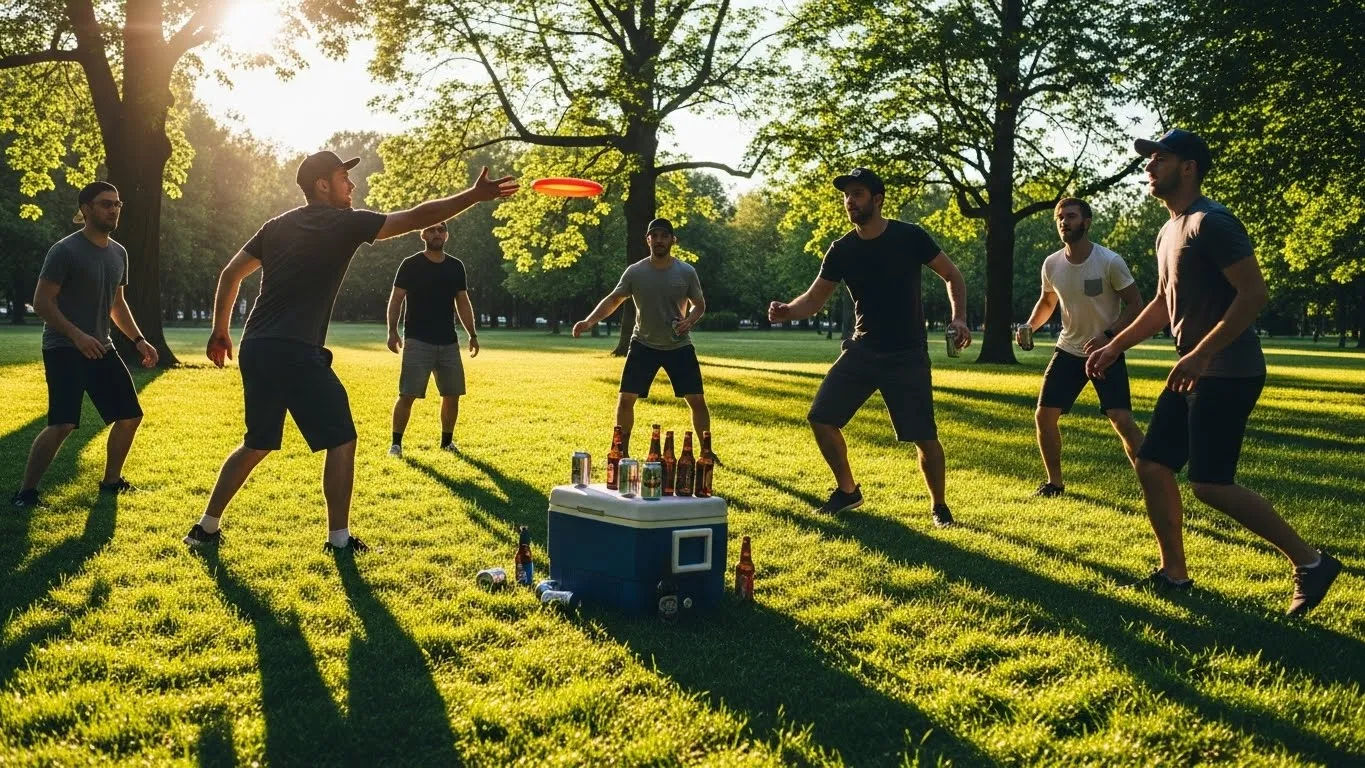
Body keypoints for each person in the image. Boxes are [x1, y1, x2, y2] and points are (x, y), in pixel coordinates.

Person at [183, 152, 515, 553]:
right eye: (344, 177)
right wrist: (474, 196)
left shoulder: (276, 226)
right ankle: (339, 541)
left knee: (257, 442)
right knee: (342, 438)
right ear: (322, 185)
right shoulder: (343, 223)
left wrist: (220, 330)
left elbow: (231, 273)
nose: (352, 185)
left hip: (257, 347)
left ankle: (205, 527)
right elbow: (417, 217)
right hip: (295, 349)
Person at [1087, 129, 1340, 615]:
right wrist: (1115, 345)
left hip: (1229, 370)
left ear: (1189, 168)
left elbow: (1254, 293)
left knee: (1209, 483)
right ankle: (1174, 573)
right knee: (1153, 463)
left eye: (1160, 158)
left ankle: (1311, 562)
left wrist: (1202, 354)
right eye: (1149, 159)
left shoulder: (1212, 222)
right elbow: (1163, 303)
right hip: (1194, 369)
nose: (1149, 166)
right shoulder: (1169, 230)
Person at [769, 168, 970, 525]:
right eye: (847, 195)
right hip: (862, 350)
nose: (850, 201)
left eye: (858, 194)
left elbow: (952, 274)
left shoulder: (909, 236)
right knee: (821, 418)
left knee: (923, 436)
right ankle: (848, 491)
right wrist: (788, 311)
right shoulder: (842, 249)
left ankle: (940, 506)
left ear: (877, 199)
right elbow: (814, 299)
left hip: (907, 353)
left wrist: (959, 318)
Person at [11, 181, 159, 509]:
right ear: (86, 209)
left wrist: (138, 340)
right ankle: (26, 493)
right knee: (63, 423)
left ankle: (111, 482)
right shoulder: (64, 251)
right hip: (63, 347)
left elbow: (117, 304)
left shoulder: (119, 253)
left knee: (129, 416)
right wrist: (76, 335)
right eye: (106, 204)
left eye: (117, 204)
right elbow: (42, 302)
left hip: (101, 347)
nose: (114, 209)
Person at [1019, 197, 1145, 497]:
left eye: (1071, 216)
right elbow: (1047, 301)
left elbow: (1136, 304)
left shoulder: (1110, 261)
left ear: (1086, 222)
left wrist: (1109, 336)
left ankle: (1153, 484)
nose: (1064, 222)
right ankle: (1054, 483)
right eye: (1060, 217)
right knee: (1044, 417)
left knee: (1122, 420)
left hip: (1105, 352)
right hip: (1068, 350)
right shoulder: (1051, 263)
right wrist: (1030, 326)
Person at [572, 218, 712, 457]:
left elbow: (699, 304)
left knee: (697, 400)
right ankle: (621, 451)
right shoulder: (635, 272)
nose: (659, 240)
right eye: (654, 236)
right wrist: (589, 321)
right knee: (626, 399)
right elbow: (614, 299)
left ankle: (706, 452)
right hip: (643, 344)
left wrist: (689, 320)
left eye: (664, 236)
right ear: (648, 240)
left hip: (678, 345)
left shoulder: (686, 272)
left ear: (673, 240)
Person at [385, 221, 479, 457]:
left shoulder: (456, 267)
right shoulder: (411, 264)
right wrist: (392, 331)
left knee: (452, 395)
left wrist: (472, 334)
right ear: (423, 234)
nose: (437, 233)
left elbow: (463, 302)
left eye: (441, 229)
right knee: (407, 394)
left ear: (446, 235)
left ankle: (447, 443)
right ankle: (396, 445)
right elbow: (396, 299)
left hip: (448, 341)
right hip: (418, 340)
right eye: (431, 229)